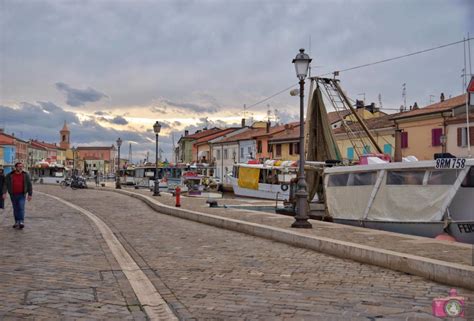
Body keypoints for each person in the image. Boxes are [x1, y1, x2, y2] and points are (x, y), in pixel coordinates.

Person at [2, 162, 33, 229]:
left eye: (21, 166)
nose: (20, 167)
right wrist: (4, 193)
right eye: (19, 166)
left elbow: (29, 185)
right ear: (15, 167)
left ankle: (21, 221)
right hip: (13, 195)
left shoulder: (25, 175)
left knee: (21, 207)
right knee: (15, 209)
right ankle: (16, 222)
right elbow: (5, 184)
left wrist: (30, 194)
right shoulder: (10, 175)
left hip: (22, 194)